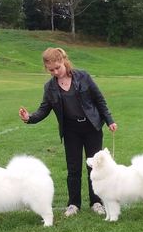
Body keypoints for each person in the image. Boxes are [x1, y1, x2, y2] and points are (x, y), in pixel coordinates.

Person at [18, 47, 117, 217]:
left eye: (58, 68)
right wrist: (29, 117)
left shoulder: (83, 77)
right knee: (73, 169)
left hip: (92, 127)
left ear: (64, 61)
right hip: (71, 131)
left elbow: (99, 99)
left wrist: (110, 121)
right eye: (51, 70)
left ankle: (96, 202)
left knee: (94, 167)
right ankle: (73, 204)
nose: (56, 72)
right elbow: (44, 110)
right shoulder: (50, 87)